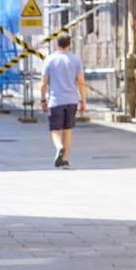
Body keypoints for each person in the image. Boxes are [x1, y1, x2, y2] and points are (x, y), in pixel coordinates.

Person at [39, 34, 87, 169]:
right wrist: (83, 101)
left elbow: (43, 83)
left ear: (56, 44)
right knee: (67, 130)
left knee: (55, 130)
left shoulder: (50, 59)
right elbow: (81, 82)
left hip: (56, 100)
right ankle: (65, 160)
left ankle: (59, 147)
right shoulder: (76, 60)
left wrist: (43, 99)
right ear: (69, 44)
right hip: (72, 100)